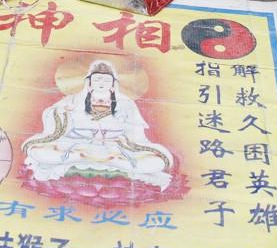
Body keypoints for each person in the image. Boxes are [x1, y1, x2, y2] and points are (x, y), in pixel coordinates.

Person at [21, 60, 175, 189]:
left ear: (114, 84)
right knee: (36, 151)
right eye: (97, 79)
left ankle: (115, 163)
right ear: (89, 82)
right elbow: (53, 119)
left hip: (115, 150)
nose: (101, 83)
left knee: (159, 161)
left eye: (106, 80)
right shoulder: (73, 100)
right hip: (77, 146)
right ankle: (81, 159)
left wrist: (125, 140)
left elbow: (136, 136)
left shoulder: (126, 104)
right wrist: (63, 112)